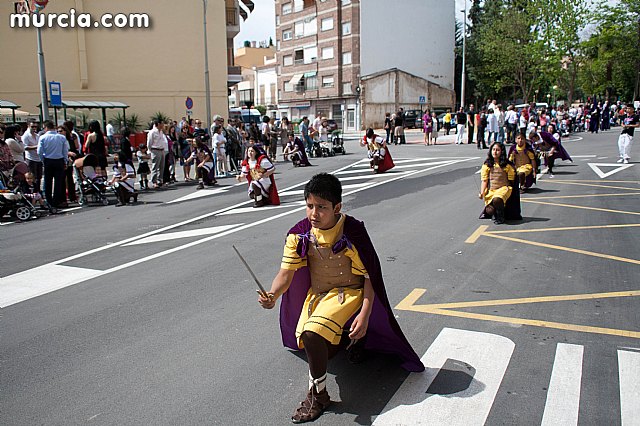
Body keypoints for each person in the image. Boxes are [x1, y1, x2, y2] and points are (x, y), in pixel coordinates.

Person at [258, 172, 424, 423]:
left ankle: (318, 395)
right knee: (309, 339)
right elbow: (286, 273)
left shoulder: (353, 232)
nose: (314, 213)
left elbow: (370, 278)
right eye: (309, 206)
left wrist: (366, 315)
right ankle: (350, 343)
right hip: (319, 295)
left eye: (321, 207)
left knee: (313, 333)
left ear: (337, 207)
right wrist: (273, 294)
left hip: (350, 293)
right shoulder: (299, 234)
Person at [479, 142, 516, 224]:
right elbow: (484, 180)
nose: (495, 152)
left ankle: (501, 216)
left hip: (504, 189)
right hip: (492, 190)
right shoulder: (487, 165)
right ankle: (495, 212)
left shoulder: (507, 165)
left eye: (497, 150)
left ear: (501, 152)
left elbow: (512, 181)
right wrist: (482, 193)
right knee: (489, 210)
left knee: (497, 199)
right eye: (493, 149)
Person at [37, 120, 69, 212]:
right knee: (58, 182)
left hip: (48, 160)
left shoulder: (43, 137)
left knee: (48, 181)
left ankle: (49, 201)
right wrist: (65, 161)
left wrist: (43, 160)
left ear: (46, 127)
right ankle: (56, 201)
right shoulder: (61, 137)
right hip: (59, 160)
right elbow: (65, 151)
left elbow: (39, 151)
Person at [22, 121, 43, 192]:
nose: (34, 128)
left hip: (38, 158)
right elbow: (24, 147)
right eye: (32, 127)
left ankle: (38, 191)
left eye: (35, 127)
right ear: (28, 126)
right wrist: (36, 147)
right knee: (32, 177)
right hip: (31, 159)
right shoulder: (26, 136)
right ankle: (33, 191)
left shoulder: (37, 136)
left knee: (39, 177)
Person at [147, 120, 167, 188]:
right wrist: (150, 151)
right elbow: (149, 143)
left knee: (161, 166)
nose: (163, 125)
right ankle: (154, 181)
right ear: (158, 124)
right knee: (155, 166)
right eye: (162, 124)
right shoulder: (152, 132)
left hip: (161, 150)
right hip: (155, 150)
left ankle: (160, 180)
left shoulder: (161, 132)